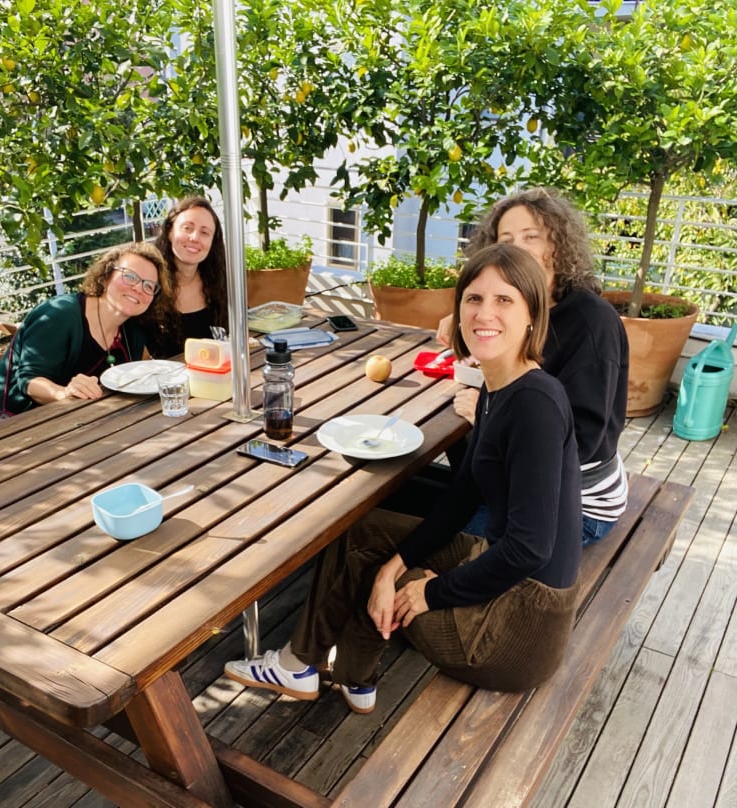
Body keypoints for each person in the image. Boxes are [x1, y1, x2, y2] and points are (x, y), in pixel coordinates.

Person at [225, 244, 582, 711]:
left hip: (519, 632)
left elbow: (529, 548)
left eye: (504, 300)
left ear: (533, 314)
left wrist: (429, 589)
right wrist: (397, 564)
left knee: (377, 570)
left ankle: (321, 668)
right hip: (509, 582)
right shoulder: (499, 385)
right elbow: (463, 495)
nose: (484, 313)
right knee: (365, 534)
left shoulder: (535, 405)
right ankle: (340, 674)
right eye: (473, 299)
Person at [438, 187, 629, 546]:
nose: (516, 248)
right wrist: (469, 320)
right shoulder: (519, 308)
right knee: (427, 513)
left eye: (531, 237)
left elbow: (583, 441)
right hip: (516, 477)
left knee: (449, 546)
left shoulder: (592, 324)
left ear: (556, 247)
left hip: (578, 503)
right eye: (505, 239)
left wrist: (490, 420)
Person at [0, 242, 172, 426]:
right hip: (13, 422)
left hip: (75, 421)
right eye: (129, 276)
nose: (138, 288)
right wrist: (64, 393)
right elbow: (29, 381)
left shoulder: (133, 330)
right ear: (105, 276)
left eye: (148, 286)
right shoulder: (59, 314)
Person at [145, 196, 228, 357]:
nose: (195, 238)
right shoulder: (147, 283)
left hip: (213, 376)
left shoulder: (221, 283)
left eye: (205, 232)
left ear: (212, 242)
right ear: (169, 232)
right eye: (187, 228)